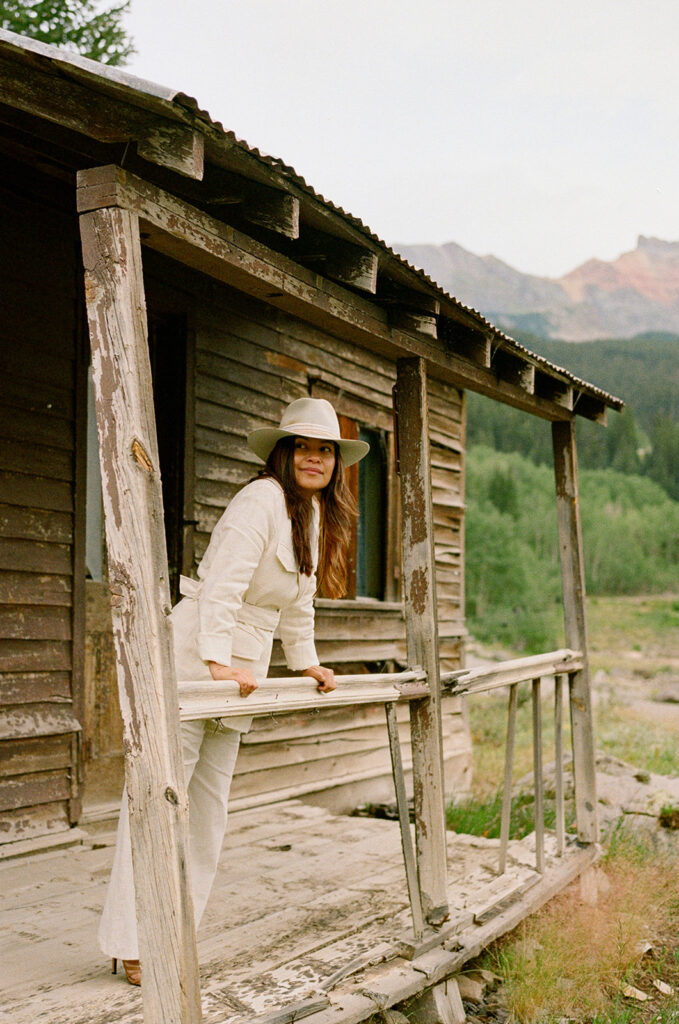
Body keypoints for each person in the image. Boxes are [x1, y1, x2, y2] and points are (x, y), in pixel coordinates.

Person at [99, 397, 369, 985]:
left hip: (244, 668)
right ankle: (134, 940)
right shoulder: (261, 500)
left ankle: (177, 932)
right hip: (200, 654)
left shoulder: (314, 514)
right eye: (303, 447)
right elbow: (221, 587)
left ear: (336, 463)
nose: (315, 459)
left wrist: (307, 665)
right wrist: (216, 661)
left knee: (209, 807)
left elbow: (298, 604)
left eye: (326, 450)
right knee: (162, 795)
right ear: (283, 452)